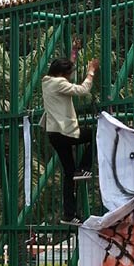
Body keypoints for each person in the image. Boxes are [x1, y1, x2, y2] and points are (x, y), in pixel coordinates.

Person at [41, 49, 99, 223]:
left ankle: (69, 214)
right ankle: (84, 167)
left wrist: (74, 52)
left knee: (68, 173)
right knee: (97, 134)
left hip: (54, 134)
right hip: (64, 132)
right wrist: (91, 72)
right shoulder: (59, 83)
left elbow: (64, 70)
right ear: (61, 73)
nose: (71, 77)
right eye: (70, 74)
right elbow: (82, 90)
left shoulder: (47, 81)